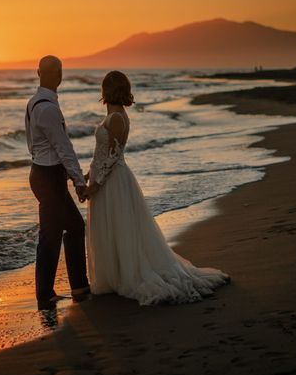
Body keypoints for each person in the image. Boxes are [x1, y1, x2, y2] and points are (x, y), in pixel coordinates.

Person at [82, 71, 230, 305]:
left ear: (107, 90)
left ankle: (125, 276)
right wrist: (90, 175)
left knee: (120, 227)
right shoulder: (114, 116)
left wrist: (95, 185)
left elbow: (112, 157)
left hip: (113, 182)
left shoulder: (118, 118)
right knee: (113, 228)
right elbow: (102, 155)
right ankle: (114, 276)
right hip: (105, 178)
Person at [25, 55, 91, 309]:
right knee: (51, 236)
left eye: (58, 71)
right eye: (55, 72)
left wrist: (69, 176)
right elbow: (64, 148)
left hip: (43, 172)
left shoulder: (34, 103)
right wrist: (77, 181)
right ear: (42, 73)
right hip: (49, 177)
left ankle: (78, 286)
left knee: (73, 227)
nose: (58, 76)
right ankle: (46, 294)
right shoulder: (47, 108)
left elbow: (35, 144)